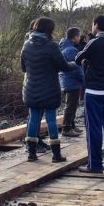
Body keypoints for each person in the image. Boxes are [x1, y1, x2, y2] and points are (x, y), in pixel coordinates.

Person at [21, 17, 77, 163]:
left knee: (33, 119)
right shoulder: (51, 46)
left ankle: (31, 154)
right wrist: (75, 64)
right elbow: (63, 66)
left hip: (31, 89)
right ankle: (56, 155)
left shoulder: (26, 45)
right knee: (51, 120)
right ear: (49, 30)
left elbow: (23, 67)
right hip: (49, 89)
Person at [75, 15, 104, 172]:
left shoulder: (94, 42)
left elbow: (78, 58)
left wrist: (86, 61)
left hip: (94, 91)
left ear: (96, 25)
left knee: (94, 128)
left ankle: (94, 165)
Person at [58, 28, 85, 137]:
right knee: (70, 105)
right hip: (71, 81)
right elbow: (77, 68)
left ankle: (72, 125)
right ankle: (67, 128)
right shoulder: (71, 50)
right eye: (79, 36)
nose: (79, 38)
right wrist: (84, 80)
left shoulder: (65, 47)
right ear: (75, 37)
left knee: (73, 105)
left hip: (66, 80)